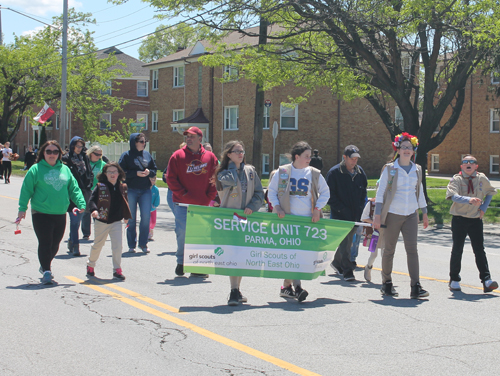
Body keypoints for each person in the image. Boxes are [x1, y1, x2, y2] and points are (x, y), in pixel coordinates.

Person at [268, 141, 330, 302]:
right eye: (306, 156)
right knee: (292, 255)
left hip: (307, 222)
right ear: (297, 156)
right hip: (287, 221)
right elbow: (272, 192)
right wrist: (277, 207)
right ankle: (298, 287)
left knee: (301, 256)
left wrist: (317, 208)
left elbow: (325, 192)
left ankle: (286, 287)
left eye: (309, 156)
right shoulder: (283, 172)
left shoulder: (314, 174)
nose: (309, 159)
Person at [17, 140, 85, 284]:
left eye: (55, 152)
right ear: (43, 153)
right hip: (41, 212)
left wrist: (81, 203)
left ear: (59, 154)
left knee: (55, 244)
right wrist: (22, 209)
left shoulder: (65, 169)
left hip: (60, 212)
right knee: (45, 242)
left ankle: (44, 264)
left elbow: (74, 188)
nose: (52, 154)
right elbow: (26, 190)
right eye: (49, 151)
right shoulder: (35, 169)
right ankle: (47, 271)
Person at [373, 133, 429, 299]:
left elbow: (419, 193)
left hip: (411, 214)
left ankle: (415, 286)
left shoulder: (417, 169)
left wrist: (424, 212)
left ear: (413, 151)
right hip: (393, 214)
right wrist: (377, 215)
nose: (406, 150)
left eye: (409, 148)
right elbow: (381, 192)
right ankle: (387, 283)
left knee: (412, 250)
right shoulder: (390, 169)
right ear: (397, 149)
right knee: (389, 250)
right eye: (403, 147)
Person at [216, 140, 264, 305]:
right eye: (236, 151)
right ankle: (233, 290)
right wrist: (231, 166)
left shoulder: (251, 171)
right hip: (230, 220)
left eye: (242, 151)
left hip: (246, 219)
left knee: (241, 254)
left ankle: (236, 290)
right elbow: (227, 182)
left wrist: (252, 206)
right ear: (229, 154)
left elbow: (259, 192)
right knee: (233, 253)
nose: (241, 154)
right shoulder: (223, 173)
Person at [166, 126, 218, 277]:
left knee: (201, 235)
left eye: (192, 137)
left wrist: (210, 196)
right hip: (182, 203)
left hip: (202, 204)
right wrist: (183, 194)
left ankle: (198, 265)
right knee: (182, 232)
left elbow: (215, 178)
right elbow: (170, 178)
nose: (189, 139)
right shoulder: (177, 156)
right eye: (187, 137)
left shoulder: (210, 157)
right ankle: (182, 262)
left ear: (200, 138)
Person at [446, 155, 498, 292]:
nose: (468, 164)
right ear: (461, 166)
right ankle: (454, 279)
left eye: (472, 162)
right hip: (459, 219)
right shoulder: (456, 179)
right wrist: (468, 200)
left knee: (479, 250)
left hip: (475, 219)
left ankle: (487, 280)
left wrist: (483, 208)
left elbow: (491, 192)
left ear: (476, 166)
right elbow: (453, 196)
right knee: (457, 249)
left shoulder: (481, 178)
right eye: (465, 162)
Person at [326, 145, 367, 281]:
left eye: (356, 158)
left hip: (356, 215)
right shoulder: (334, 173)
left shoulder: (360, 172)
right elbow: (329, 196)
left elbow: (363, 193)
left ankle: (337, 263)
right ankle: (348, 270)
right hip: (340, 215)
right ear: (345, 157)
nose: (354, 161)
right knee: (345, 242)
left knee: (348, 241)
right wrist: (342, 210)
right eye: (352, 158)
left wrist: (362, 209)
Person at [86, 162, 131, 280]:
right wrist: (94, 210)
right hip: (102, 221)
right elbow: (91, 201)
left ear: (119, 173)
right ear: (105, 174)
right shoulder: (100, 186)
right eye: (109, 172)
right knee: (98, 245)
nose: (112, 174)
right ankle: (90, 265)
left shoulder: (122, 187)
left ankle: (117, 269)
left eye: (114, 172)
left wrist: (126, 216)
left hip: (116, 221)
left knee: (117, 246)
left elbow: (125, 203)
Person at [119, 133, 157, 254]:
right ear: (134, 143)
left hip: (145, 189)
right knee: (131, 218)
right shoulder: (126, 156)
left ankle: (143, 243)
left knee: (146, 218)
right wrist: (135, 173)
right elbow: (121, 172)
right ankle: (131, 244)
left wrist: (148, 172)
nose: (143, 143)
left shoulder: (147, 155)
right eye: (141, 141)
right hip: (131, 189)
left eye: (144, 141)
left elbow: (154, 169)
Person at [62, 136, 94, 256]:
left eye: (81, 146)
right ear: (72, 146)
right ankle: (75, 246)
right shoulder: (66, 159)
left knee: (79, 220)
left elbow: (89, 172)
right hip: (72, 193)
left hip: (85, 192)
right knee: (74, 220)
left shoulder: (84, 157)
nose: (79, 148)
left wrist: (89, 183)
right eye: (77, 146)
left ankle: (71, 240)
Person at [81, 145, 106, 240]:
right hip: (87, 190)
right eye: (96, 154)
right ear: (90, 154)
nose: (98, 156)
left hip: (99, 190)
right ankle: (86, 233)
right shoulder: (85, 163)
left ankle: (99, 232)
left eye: (100, 154)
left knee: (98, 212)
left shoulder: (103, 164)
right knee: (87, 212)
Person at [360, 192, 385, 282]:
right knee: (374, 254)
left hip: (386, 231)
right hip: (374, 231)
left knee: (385, 254)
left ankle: (385, 275)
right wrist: (373, 222)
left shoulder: (390, 204)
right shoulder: (371, 204)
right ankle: (368, 267)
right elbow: (364, 217)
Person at [163, 142, 186, 212]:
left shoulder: (191, 164)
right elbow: (164, 176)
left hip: (184, 193)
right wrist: (166, 177)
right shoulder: (174, 161)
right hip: (172, 192)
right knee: (177, 213)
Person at [149, 176, 160, 240]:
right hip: (146, 209)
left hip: (153, 209)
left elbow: (157, 198)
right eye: (151, 179)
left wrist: (155, 205)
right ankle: (148, 234)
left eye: (153, 180)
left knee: (153, 222)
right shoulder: (146, 188)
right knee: (148, 221)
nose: (152, 181)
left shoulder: (155, 189)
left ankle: (151, 229)